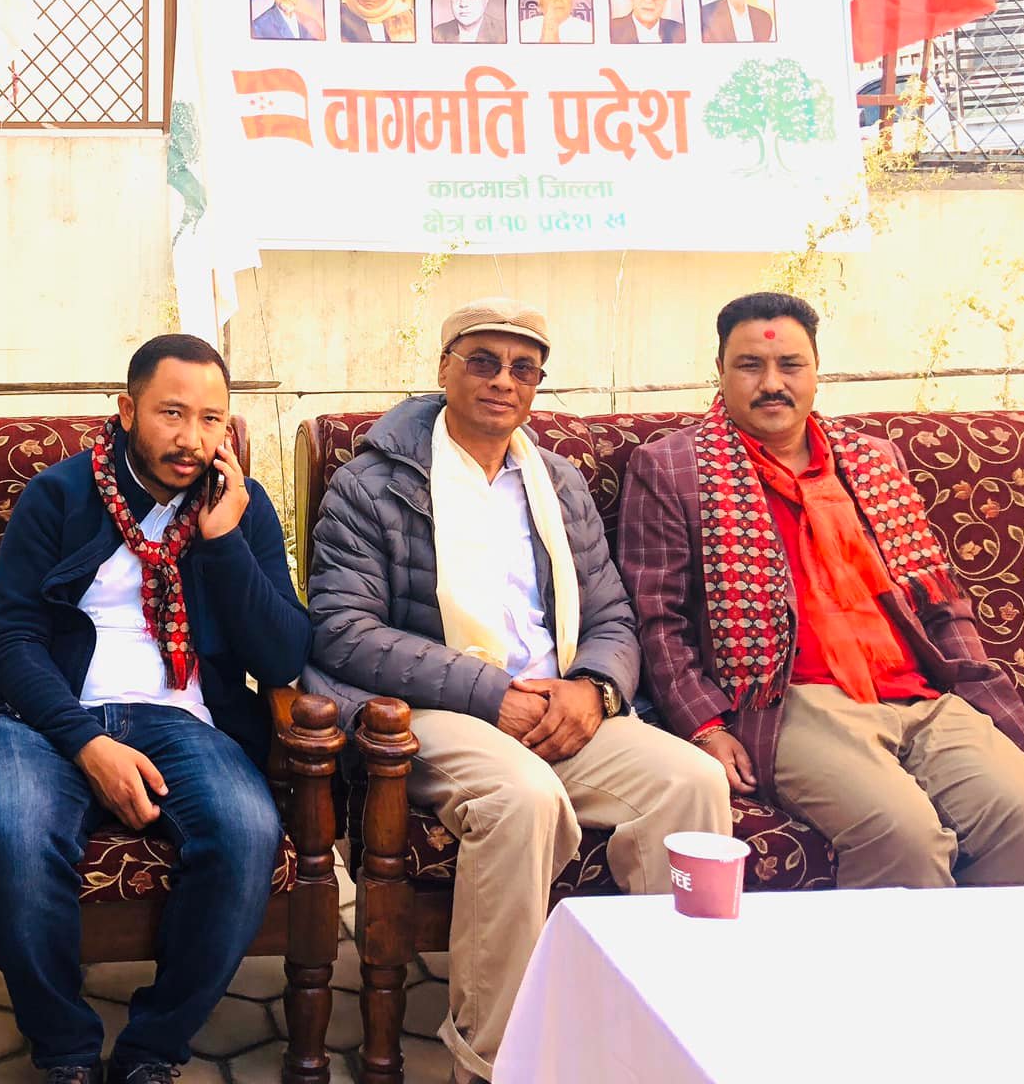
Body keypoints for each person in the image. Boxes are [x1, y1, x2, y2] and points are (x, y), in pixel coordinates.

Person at [304, 299, 728, 1084]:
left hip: (557, 704)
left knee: (691, 783)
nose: (503, 380)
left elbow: (612, 615)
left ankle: (663, 1034)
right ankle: (496, 1060)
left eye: (523, 368)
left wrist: (594, 690)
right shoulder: (372, 485)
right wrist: (489, 692)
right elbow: (342, 630)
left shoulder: (556, 483)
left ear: (535, 385)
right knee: (523, 800)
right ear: (444, 370)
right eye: (483, 361)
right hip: (431, 709)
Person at [618, 292, 1024, 890]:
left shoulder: (871, 461)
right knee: (904, 836)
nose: (771, 384)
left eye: (790, 365)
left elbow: (940, 604)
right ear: (720, 372)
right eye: (750, 366)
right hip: (796, 705)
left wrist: (1005, 725)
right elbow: (659, 620)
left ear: (817, 371)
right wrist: (704, 727)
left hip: (923, 697)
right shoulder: (674, 467)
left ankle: (999, 958)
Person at [0, 334, 311, 1084]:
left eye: (211, 419)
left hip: (185, 718)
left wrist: (224, 541)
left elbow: (283, 657)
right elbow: (13, 642)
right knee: (15, 836)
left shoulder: (239, 508)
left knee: (246, 831)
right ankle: (66, 1055)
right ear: (128, 411)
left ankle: (152, 1051)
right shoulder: (59, 496)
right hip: (52, 715)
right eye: (171, 413)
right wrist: (86, 745)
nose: (192, 439)